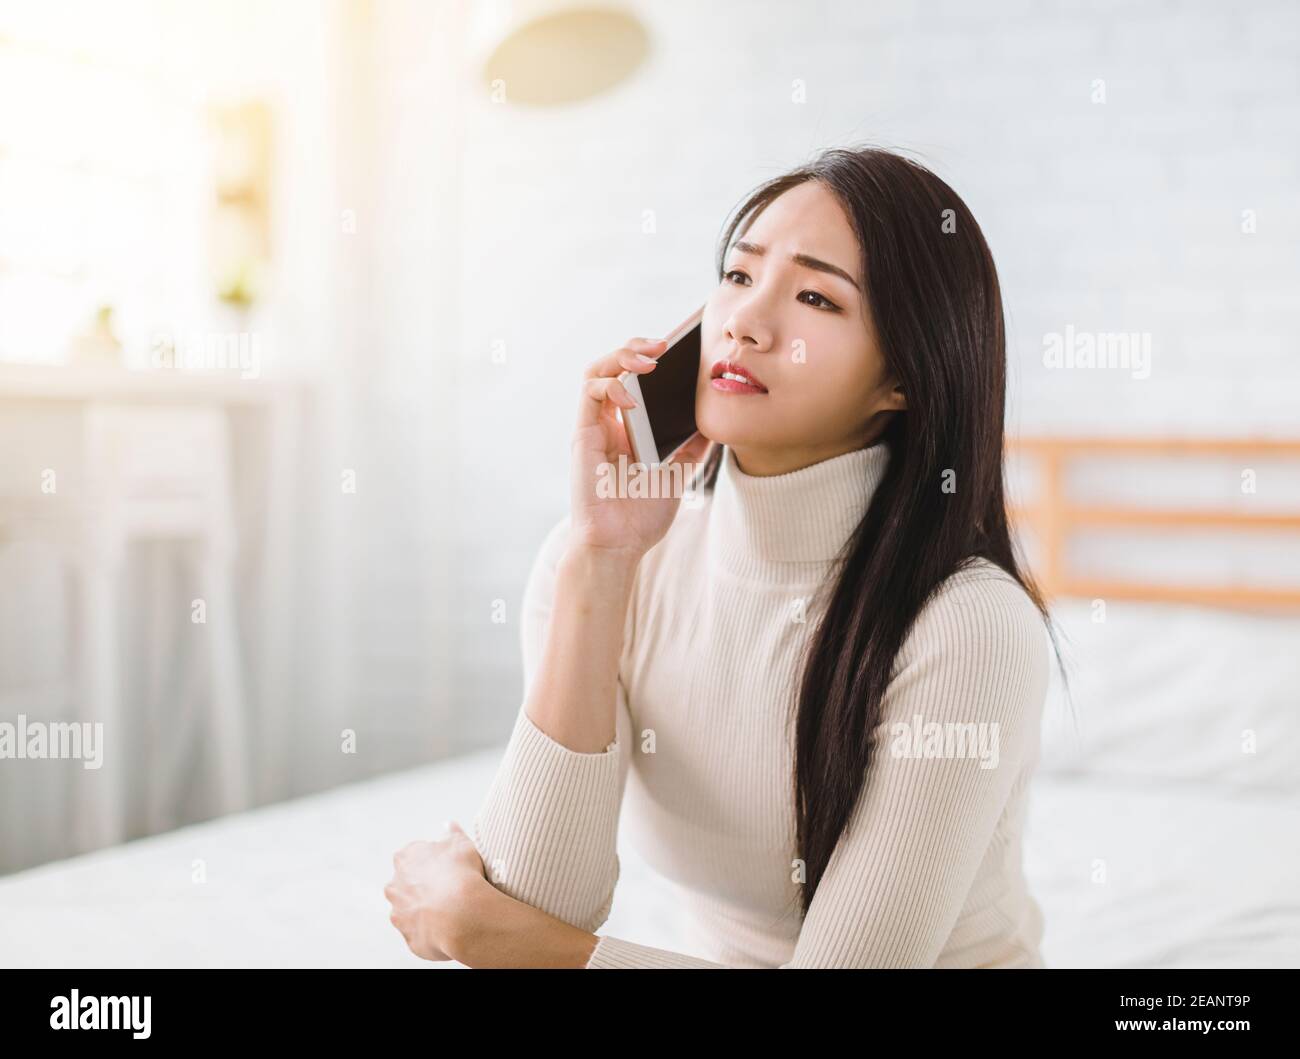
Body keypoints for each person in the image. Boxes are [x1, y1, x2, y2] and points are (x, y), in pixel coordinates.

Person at [386, 144, 1066, 968]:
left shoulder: (969, 629)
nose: (745, 320)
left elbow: (511, 938)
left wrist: (477, 925)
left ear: (904, 381)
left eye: (816, 295)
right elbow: (537, 903)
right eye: (739, 276)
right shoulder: (610, 560)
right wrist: (601, 558)